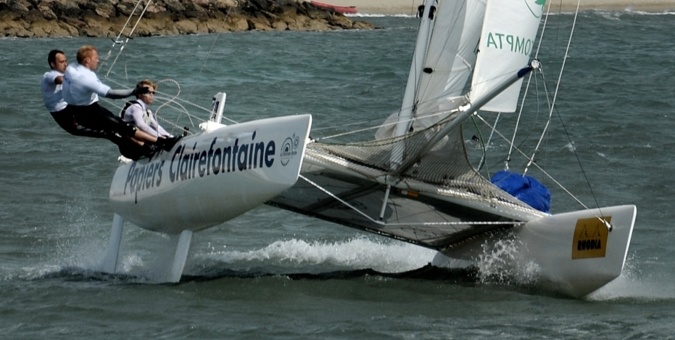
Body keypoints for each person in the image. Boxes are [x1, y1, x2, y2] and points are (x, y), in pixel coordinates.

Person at [62, 45, 175, 159]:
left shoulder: (71, 67)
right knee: (123, 127)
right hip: (89, 112)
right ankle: (162, 143)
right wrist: (134, 91)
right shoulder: (85, 78)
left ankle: (146, 148)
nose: (98, 60)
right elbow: (111, 94)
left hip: (75, 111)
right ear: (87, 60)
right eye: (95, 57)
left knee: (113, 131)